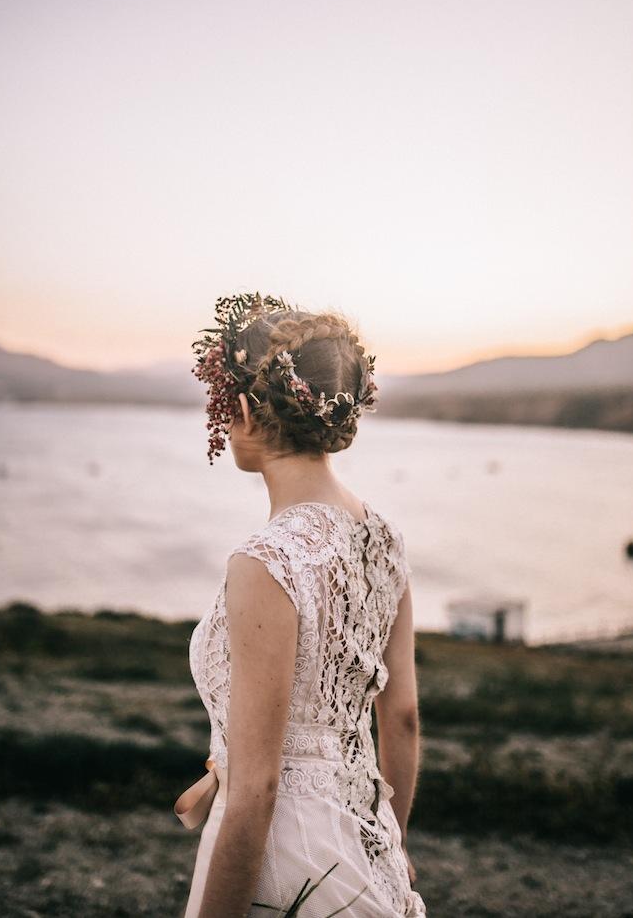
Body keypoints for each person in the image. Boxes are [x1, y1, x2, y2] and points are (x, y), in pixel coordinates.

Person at [183, 293, 427, 917]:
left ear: (243, 409)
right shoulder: (385, 540)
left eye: (223, 403)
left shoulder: (267, 561)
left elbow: (259, 788)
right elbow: (401, 717)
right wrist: (391, 842)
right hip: (365, 838)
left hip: (287, 854)